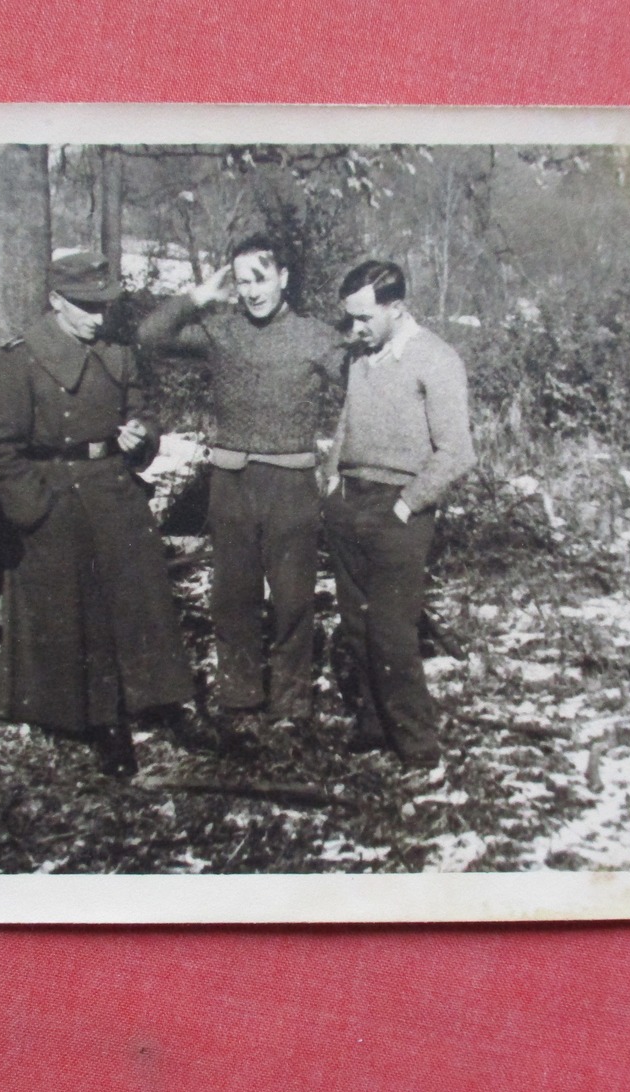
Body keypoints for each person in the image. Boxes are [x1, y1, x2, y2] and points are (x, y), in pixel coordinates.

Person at [0, 251, 196, 778]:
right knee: (84, 615)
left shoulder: (116, 351)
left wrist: (143, 435)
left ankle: (164, 702)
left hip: (115, 488)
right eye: (86, 306)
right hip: (56, 496)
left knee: (145, 603)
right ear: (55, 301)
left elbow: (142, 408)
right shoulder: (19, 362)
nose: (99, 317)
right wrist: (35, 509)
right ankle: (103, 722)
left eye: (105, 306)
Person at [138, 235, 346, 752]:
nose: (251, 291)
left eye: (260, 277)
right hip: (230, 481)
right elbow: (149, 336)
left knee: (295, 597)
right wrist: (198, 297)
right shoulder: (220, 331)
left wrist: (346, 459)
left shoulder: (316, 337)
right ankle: (239, 701)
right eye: (242, 280)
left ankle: (292, 707)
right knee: (233, 597)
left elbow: (363, 389)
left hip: (292, 483)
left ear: (284, 279)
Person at [323, 260, 476, 768]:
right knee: (355, 625)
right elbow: (346, 421)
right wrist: (331, 479)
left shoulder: (435, 359)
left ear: (396, 307)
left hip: (399, 510)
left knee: (391, 631)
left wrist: (407, 505)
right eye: (348, 319)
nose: (354, 330)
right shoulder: (361, 356)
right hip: (348, 500)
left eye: (364, 319)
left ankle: (416, 744)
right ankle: (372, 725)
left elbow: (456, 451)